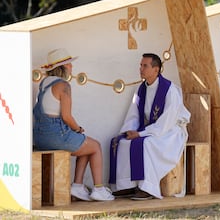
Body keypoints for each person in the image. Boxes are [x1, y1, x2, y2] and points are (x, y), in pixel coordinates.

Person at [33, 48, 114, 202]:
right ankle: (98, 188)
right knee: (95, 146)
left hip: (40, 137)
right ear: (62, 67)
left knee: (84, 145)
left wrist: (77, 133)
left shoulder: (44, 83)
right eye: (69, 64)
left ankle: (77, 186)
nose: (72, 67)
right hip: (55, 135)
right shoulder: (63, 85)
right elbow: (66, 116)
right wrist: (77, 128)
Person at [109, 53, 190, 200]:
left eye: (145, 66)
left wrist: (140, 134)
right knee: (120, 142)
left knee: (146, 144)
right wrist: (129, 131)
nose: (141, 69)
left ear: (156, 70)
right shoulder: (141, 89)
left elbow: (167, 121)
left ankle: (148, 188)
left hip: (170, 131)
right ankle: (127, 186)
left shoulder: (169, 89)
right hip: (151, 128)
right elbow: (134, 113)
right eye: (140, 65)